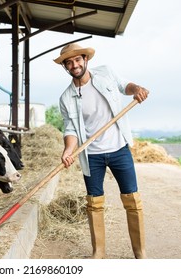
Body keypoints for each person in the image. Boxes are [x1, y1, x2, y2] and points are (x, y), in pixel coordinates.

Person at [54, 43, 149, 259]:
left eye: (77, 60)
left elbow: (124, 85)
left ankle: (140, 253)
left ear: (85, 59)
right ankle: (99, 252)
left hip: (118, 148)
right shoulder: (66, 98)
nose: (74, 65)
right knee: (94, 203)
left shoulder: (105, 73)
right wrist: (69, 150)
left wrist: (136, 90)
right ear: (65, 67)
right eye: (69, 62)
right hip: (92, 155)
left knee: (132, 199)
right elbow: (70, 129)